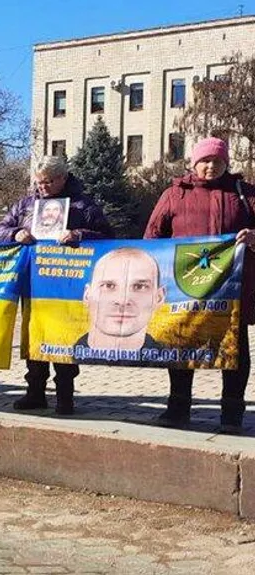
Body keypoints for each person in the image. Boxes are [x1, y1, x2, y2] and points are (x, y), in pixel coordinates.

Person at [144, 137, 255, 434]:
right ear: (194, 163)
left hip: (232, 290)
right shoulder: (174, 194)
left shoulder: (244, 194)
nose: (211, 166)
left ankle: (232, 413)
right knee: (182, 348)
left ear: (226, 163)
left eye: (217, 161)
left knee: (234, 350)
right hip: (184, 289)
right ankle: (177, 409)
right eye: (205, 161)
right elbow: (153, 238)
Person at [0, 154, 114, 415]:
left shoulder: (83, 205)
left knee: (63, 337)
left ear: (63, 178)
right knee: (34, 335)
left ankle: (65, 396)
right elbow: (1, 228)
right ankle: (35, 392)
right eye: (39, 182)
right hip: (34, 282)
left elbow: (107, 236)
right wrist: (16, 233)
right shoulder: (26, 205)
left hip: (65, 283)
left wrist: (79, 235)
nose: (43, 187)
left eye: (48, 182)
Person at [72, 247, 166, 361]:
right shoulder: (65, 355)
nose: (123, 301)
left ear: (159, 297)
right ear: (87, 295)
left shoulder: (171, 356)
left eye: (139, 287)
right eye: (108, 286)